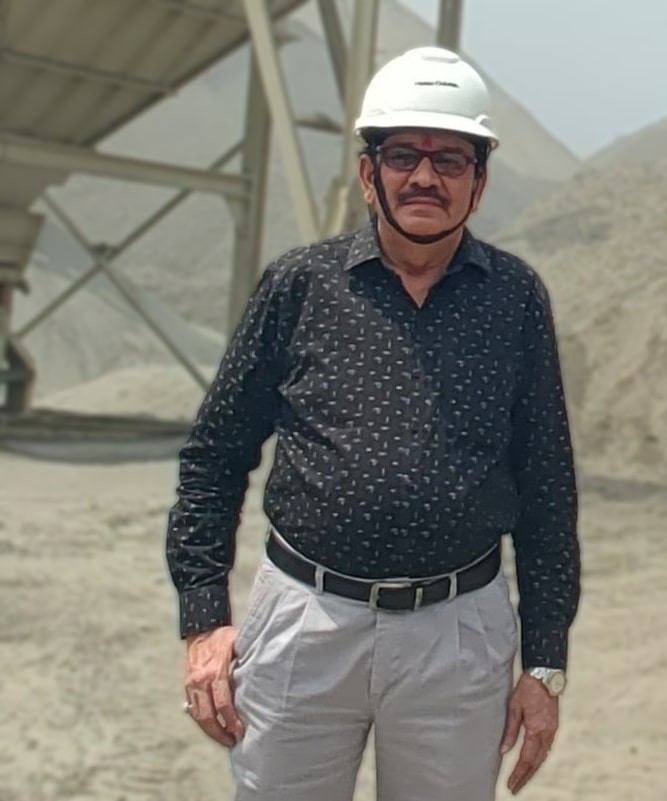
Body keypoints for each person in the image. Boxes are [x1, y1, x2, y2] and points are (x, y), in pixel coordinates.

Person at [165, 45, 581, 801]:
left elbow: (546, 487)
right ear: (368, 174)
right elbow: (214, 455)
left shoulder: (514, 299)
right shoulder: (300, 285)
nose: (425, 176)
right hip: (303, 620)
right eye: (402, 156)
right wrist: (203, 620)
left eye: (450, 159)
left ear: (479, 183)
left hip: (458, 637)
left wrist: (544, 663)